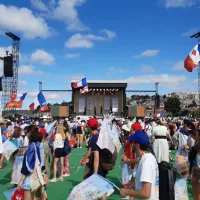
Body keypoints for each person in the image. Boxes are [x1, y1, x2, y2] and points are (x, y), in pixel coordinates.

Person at [120, 131, 159, 200]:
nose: (130, 144)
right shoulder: (148, 157)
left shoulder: (146, 162)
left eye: (131, 142)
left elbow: (146, 194)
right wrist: (134, 183)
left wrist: (127, 192)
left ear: (137, 145)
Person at [80, 118, 107, 200]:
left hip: (97, 167)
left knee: (100, 190)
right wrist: (84, 158)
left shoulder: (94, 138)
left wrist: (95, 173)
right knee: (100, 189)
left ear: (89, 127)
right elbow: (90, 150)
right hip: (102, 165)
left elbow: (96, 156)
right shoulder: (98, 135)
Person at [17, 125, 46, 200]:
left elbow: (28, 165)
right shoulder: (39, 145)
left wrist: (21, 180)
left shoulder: (31, 146)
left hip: (29, 178)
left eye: (27, 132)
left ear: (30, 133)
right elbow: (42, 162)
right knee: (34, 196)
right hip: (37, 176)